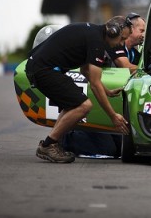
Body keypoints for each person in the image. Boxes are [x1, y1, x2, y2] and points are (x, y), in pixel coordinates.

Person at [25, 16, 131, 163]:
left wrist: (106, 91)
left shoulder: (95, 34)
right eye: (122, 39)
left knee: (73, 105)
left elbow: (85, 70)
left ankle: (53, 143)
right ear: (112, 32)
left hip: (41, 67)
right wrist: (113, 116)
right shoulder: (97, 42)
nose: (121, 44)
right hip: (44, 70)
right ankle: (48, 145)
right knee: (84, 105)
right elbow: (94, 84)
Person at [63, 13, 146, 158]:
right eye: (142, 30)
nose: (143, 35)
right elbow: (125, 66)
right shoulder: (112, 43)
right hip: (96, 103)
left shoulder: (134, 52)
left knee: (118, 147)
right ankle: (64, 138)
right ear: (129, 30)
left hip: (108, 100)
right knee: (107, 148)